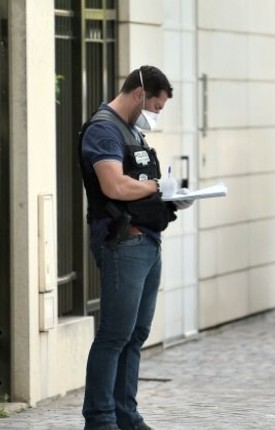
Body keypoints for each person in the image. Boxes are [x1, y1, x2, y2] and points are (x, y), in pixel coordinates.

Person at [78, 65, 192, 430]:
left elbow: (138, 183)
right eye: (156, 107)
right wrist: (160, 187)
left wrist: (171, 196)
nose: (155, 115)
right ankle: (100, 420)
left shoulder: (131, 133)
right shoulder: (103, 129)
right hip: (122, 241)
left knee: (136, 334)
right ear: (140, 94)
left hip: (146, 241)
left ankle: (126, 415)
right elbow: (115, 186)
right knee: (114, 334)